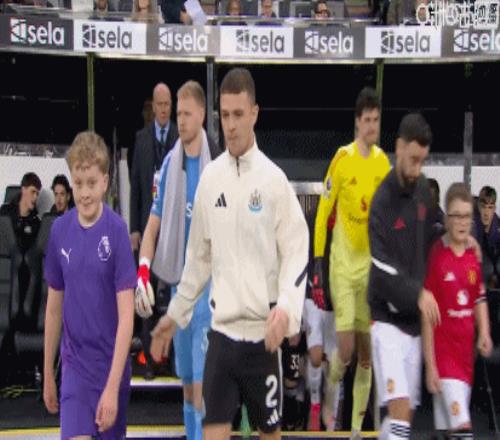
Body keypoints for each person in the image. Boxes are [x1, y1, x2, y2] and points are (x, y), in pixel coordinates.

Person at [149, 67, 309, 440]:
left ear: (254, 113)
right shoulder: (211, 180)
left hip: (262, 339)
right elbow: (198, 260)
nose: (231, 125)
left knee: (270, 434)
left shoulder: (273, 181)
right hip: (220, 337)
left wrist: (287, 309)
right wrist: (175, 314)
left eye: (239, 114)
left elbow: (296, 251)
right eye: (225, 115)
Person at [134, 80, 221, 440]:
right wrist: (143, 272)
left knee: (202, 390)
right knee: (187, 387)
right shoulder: (170, 165)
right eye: (178, 113)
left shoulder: (218, 164)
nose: (180, 120)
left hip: (210, 293)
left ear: (201, 114)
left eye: (186, 113)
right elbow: (153, 225)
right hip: (180, 292)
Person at [43, 131, 136, 439]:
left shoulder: (117, 232)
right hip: (75, 368)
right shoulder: (59, 231)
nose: (84, 193)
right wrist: (48, 372)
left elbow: (127, 317)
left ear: (105, 182)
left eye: (91, 184)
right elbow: (53, 309)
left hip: (111, 368)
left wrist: (111, 387)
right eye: (78, 183)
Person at [312, 87, 391, 439]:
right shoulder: (342, 159)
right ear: (357, 123)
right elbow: (323, 212)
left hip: (370, 272)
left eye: (376, 120)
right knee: (344, 351)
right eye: (367, 120)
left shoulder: (383, 163)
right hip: (343, 269)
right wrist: (317, 261)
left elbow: (390, 216)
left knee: (366, 356)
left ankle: (356, 429)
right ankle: (329, 387)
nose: (372, 126)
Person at [368, 113, 441, 440]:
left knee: (402, 422)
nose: (416, 169)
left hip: (414, 324)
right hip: (385, 320)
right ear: (398, 148)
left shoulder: (423, 190)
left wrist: (462, 241)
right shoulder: (381, 202)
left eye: (422, 161)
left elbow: (436, 232)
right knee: (399, 411)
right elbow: (380, 266)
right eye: (413, 159)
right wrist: (418, 293)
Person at [422, 182, 492, 438]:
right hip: (444, 360)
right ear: (447, 219)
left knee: (446, 432)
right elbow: (428, 316)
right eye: (456, 216)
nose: (462, 222)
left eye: (466, 216)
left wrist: (484, 332)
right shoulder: (438, 257)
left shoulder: (474, 256)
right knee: (463, 430)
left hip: (465, 361)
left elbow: (479, 298)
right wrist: (430, 365)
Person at [130, 82, 178, 251]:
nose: (164, 109)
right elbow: (135, 186)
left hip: (173, 225)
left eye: (167, 104)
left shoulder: (180, 137)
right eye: (160, 104)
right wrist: (134, 228)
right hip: (147, 223)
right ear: (153, 107)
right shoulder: (141, 138)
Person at [474, 186, 500, 291]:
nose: (486, 213)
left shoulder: (497, 224)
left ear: (494, 209)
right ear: (478, 206)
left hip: (493, 261)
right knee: (487, 268)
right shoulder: (471, 223)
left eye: (490, 207)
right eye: (483, 207)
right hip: (475, 262)